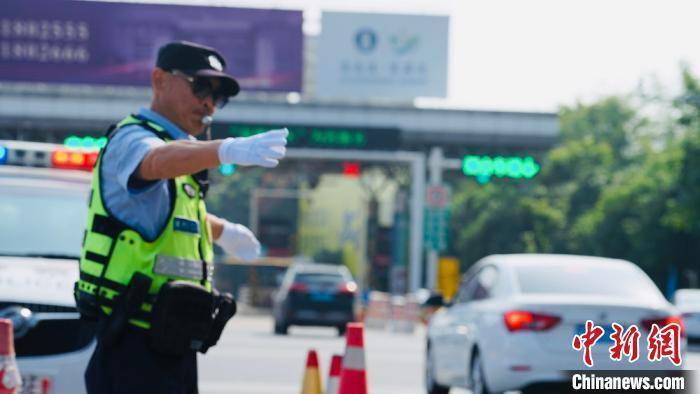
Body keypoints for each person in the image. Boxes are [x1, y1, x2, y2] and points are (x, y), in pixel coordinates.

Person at [74, 41, 288, 394]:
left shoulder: (185, 158)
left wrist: (222, 231)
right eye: (200, 86)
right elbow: (154, 161)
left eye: (218, 96)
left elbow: (171, 218)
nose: (208, 103)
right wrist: (226, 149)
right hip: (130, 345)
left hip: (172, 344)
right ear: (160, 80)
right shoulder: (134, 137)